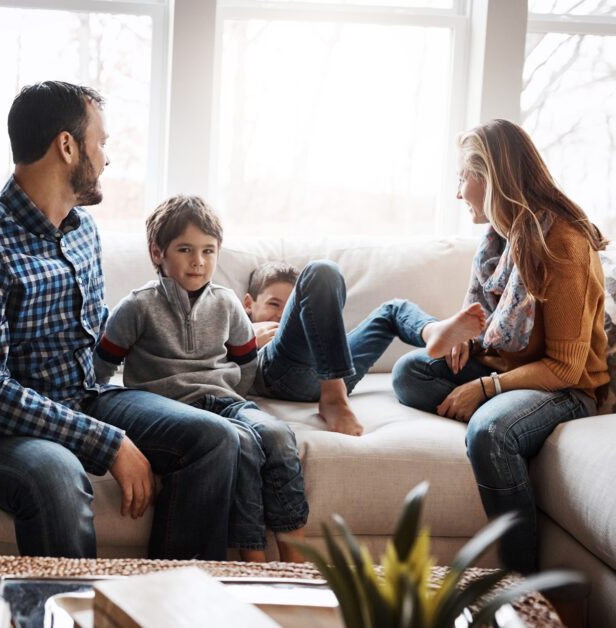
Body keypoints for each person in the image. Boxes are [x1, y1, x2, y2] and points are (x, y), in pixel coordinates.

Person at [0, 81, 241, 560]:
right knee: (57, 473)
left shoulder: (82, 230)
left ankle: (167, 603)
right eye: (103, 142)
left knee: (214, 438)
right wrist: (109, 444)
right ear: (67, 146)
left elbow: (98, 337)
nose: (108, 158)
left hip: (83, 398)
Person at [392, 119, 609, 573]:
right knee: (409, 372)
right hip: (513, 374)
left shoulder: (564, 244)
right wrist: (470, 344)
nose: (457, 192)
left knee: (489, 433)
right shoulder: (498, 241)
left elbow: (566, 368)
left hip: (565, 390)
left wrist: (487, 389)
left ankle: (522, 590)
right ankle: (517, 430)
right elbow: (493, 325)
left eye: (462, 178)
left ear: (491, 179)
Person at [94, 195, 307, 562]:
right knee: (242, 442)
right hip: (171, 412)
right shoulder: (136, 306)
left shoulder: (225, 303)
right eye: (186, 250)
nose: (198, 261)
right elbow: (100, 368)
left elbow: (245, 365)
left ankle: (295, 551)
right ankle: (251, 554)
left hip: (225, 402)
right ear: (157, 252)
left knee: (275, 433)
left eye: (209, 251)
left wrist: (229, 394)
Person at [244, 262, 487, 438]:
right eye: (274, 304)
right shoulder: (235, 322)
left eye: (292, 308)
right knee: (321, 271)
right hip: (281, 368)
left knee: (392, 310)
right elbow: (210, 363)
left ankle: (432, 331)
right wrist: (249, 338)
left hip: (334, 366)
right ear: (248, 304)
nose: (284, 315)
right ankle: (333, 395)